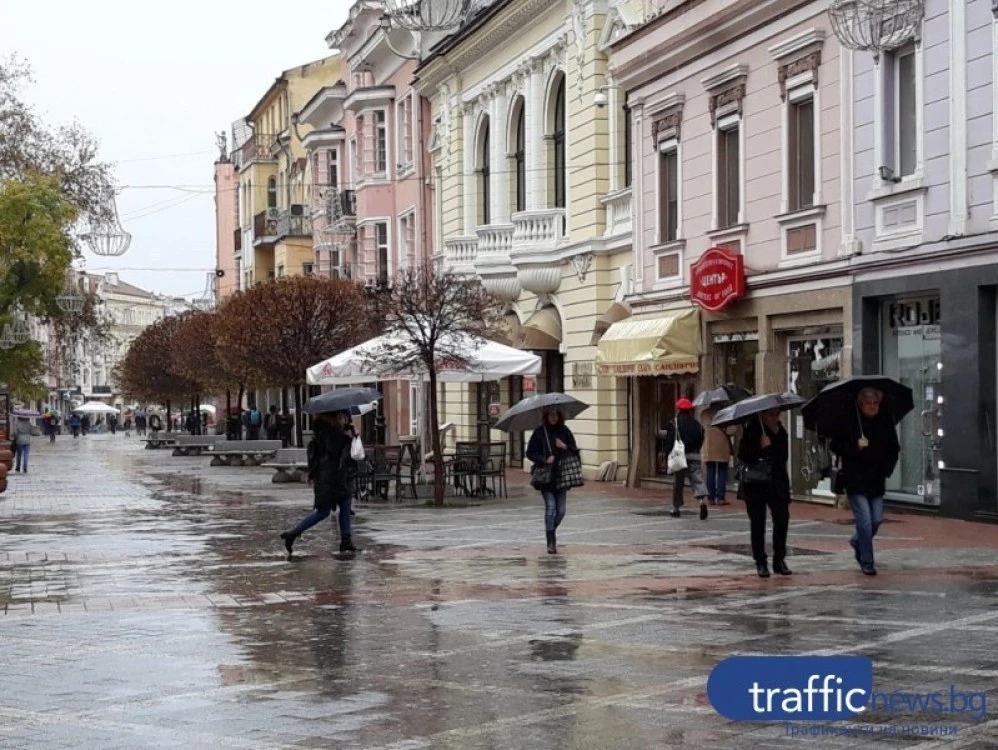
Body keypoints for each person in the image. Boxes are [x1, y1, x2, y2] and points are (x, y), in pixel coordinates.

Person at [830, 387, 900, 576]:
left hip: (876, 480)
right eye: (868, 403)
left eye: (875, 403)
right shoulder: (850, 421)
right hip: (855, 479)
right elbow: (835, 445)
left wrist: (886, 468)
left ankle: (857, 541)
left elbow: (894, 449)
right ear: (861, 404)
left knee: (876, 519)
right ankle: (867, 562)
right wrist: (855, 446)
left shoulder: (885, 422)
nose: (872, 406)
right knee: (865, 521)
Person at [280, 410, 358, 557]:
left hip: (329, 478)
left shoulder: (321, 433)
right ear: (333, 417)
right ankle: (293, 533)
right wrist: (351, 436)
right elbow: (339, 452)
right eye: (341, 417)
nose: (343, 419)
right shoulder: (333, 435)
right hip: (333, 478)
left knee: (343, 505)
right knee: (326, 510)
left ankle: (346, 540)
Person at [738, 408, 792, 578]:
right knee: (757, 522)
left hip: (777, 483)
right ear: (762, 415)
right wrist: (760, 447)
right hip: (756, 484)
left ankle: (779, 559)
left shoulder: (781, 431)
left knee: (782, 519)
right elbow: (743, 455)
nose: (775, 418)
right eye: (771, 414)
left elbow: (783, 456)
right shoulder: (752, 430)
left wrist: (773, 446)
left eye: (777, 414)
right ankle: (760, 561)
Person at [525, 408, 580, 554]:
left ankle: (551, 531)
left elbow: (575, 451)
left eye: (556, 415)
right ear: (546, 416)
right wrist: (544, 459)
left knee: (561, 511)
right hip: (545, 477)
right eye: (551, 415)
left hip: (562, 475)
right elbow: (530, 452)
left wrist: (564, 446)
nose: (553, 418)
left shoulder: (565, 431)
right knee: (551, 507)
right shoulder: (539, 432)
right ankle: (551, 542)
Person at [662, 398, 709, 519]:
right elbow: (701, 438)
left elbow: (669, 440)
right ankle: (701, 501)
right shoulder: (697, 424)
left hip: (679, 456)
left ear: (679, 409)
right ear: (690, 410)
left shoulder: (674, 423)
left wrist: (667, 454)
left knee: (678, 482)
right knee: (697, 479)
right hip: (694, 454)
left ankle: (676, 508)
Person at [701, 406, 737, 506]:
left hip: (709, 445)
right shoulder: (726, 412)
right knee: (722, 471)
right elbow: (732, 430)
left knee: (710, 471)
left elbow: (703, 427)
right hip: (722, 445)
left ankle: (710, 498)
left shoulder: (704, 413)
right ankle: (720, 498)